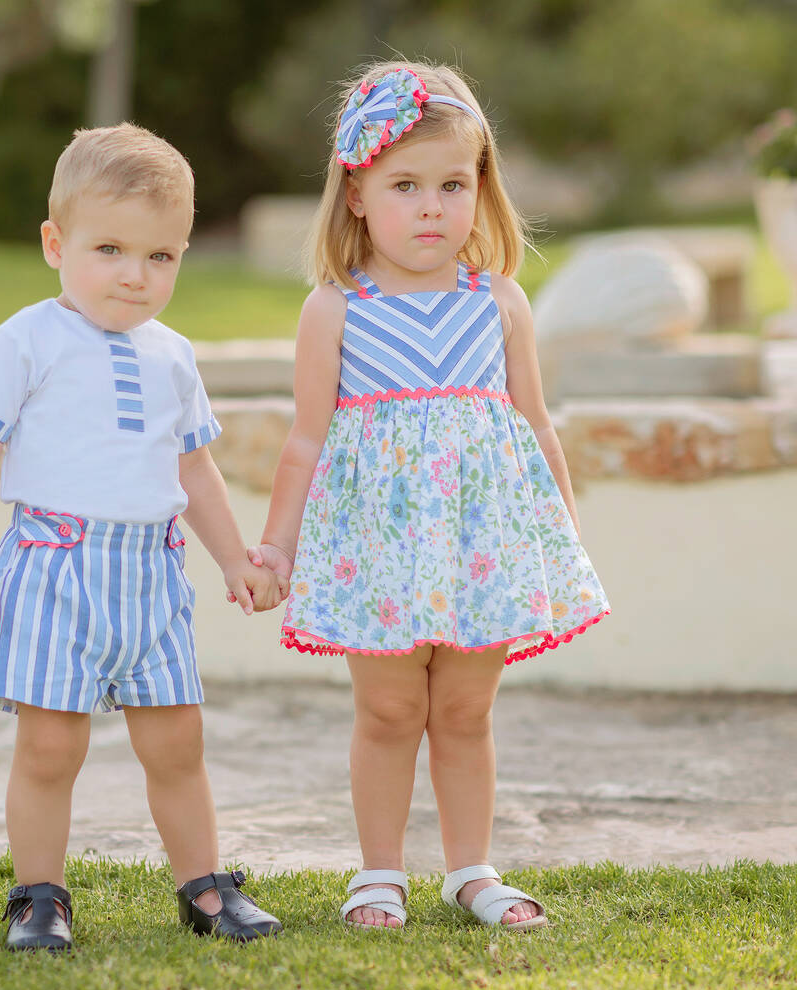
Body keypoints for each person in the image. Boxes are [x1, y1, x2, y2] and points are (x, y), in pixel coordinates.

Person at [249, 61, 610, 931]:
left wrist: (558, 532)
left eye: (453, 185)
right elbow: (304, 442)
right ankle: (379, 872)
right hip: (378, 552)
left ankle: (470, 870)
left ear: (481, 191)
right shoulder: (336, 310)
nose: (431, 207)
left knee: (464, 709)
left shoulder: (501, 303)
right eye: (405, 185)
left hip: (483, 548)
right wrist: (278, 548)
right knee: (389, 708)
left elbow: (535, 426)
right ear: (358, 194)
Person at [0, 123, 284, 950]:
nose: (135, 276)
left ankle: (204, 889)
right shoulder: (26, 341)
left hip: (151, 577)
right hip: (57, 567)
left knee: (178, 739)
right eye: (111, 249)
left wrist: (233, 556)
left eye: (161, 257)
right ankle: (39, 897)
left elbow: (193, 471)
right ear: (57, 243)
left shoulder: (173, 357)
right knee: (51, 745)